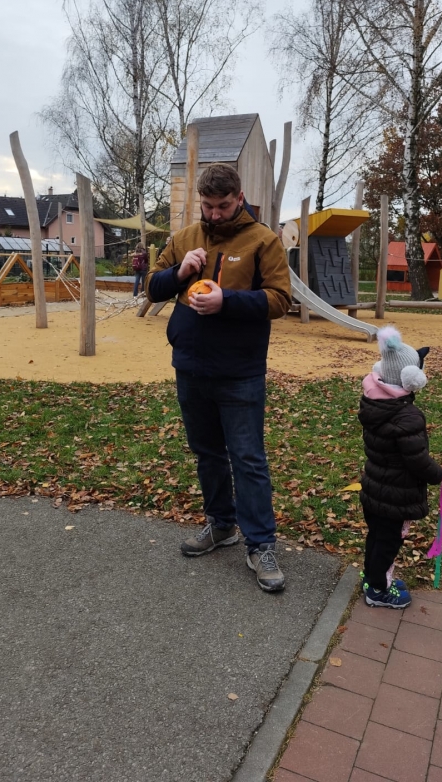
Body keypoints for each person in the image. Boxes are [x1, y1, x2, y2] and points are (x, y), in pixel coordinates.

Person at [145, 162, 292, 592]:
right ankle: (221, 524)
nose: (214, 214)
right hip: (191, 366)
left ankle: (261, 544)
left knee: (248, 459)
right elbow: (152, 286)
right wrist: (180, 272)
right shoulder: (185, 238)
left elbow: (279, 299)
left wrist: (226, 300)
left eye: (223, 206)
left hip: (240, 371)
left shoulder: (263, 240)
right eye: (207, 206)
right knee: (207, 453)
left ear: (239, 198)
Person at [358, 326, 442, 609]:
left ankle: (371, 578)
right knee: (388, 543)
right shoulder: (408, 417)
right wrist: (439, 475)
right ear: (411, 380)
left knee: (376, 537)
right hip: (395, 497)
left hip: (374, 489)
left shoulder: (374, 404)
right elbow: (417, 460)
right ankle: (378, 590)